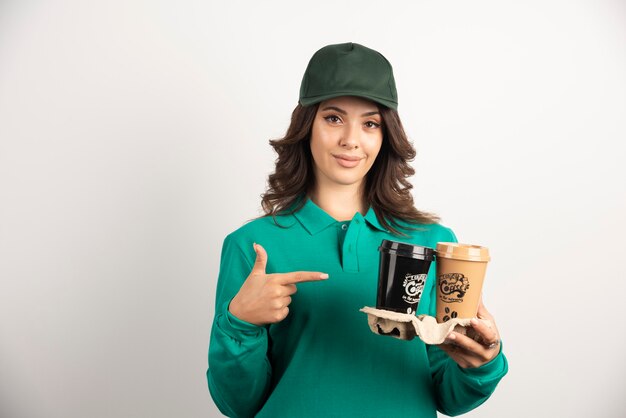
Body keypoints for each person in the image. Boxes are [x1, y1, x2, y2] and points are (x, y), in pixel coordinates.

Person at [206, 42, 508, 417]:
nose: (351, 139)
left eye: (370, 123)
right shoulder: (252, 247)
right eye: (333, 118)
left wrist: (481, 362)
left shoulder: (434, 243)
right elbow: (238, 404)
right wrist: (240, 323)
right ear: (307, 128)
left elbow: (450, 395)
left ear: (385, 136)